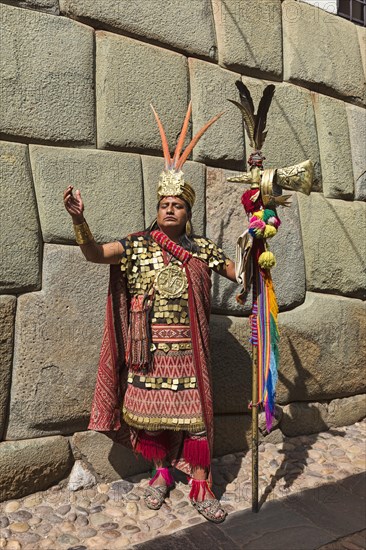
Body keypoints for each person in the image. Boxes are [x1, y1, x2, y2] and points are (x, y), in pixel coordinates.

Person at [63, 103, 237, 523]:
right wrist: (79, 221)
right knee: (151, 419)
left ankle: (200, 482)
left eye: (178, 204)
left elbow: (240, 275)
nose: (171, 209)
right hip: (147, 349)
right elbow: (95, 254)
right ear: (157, 208)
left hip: (188, 352)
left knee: (195, 421)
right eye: (165, 203)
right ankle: (160, 474)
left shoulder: (202, 249)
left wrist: (257, 243)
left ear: (188, 211)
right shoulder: (138, 243)